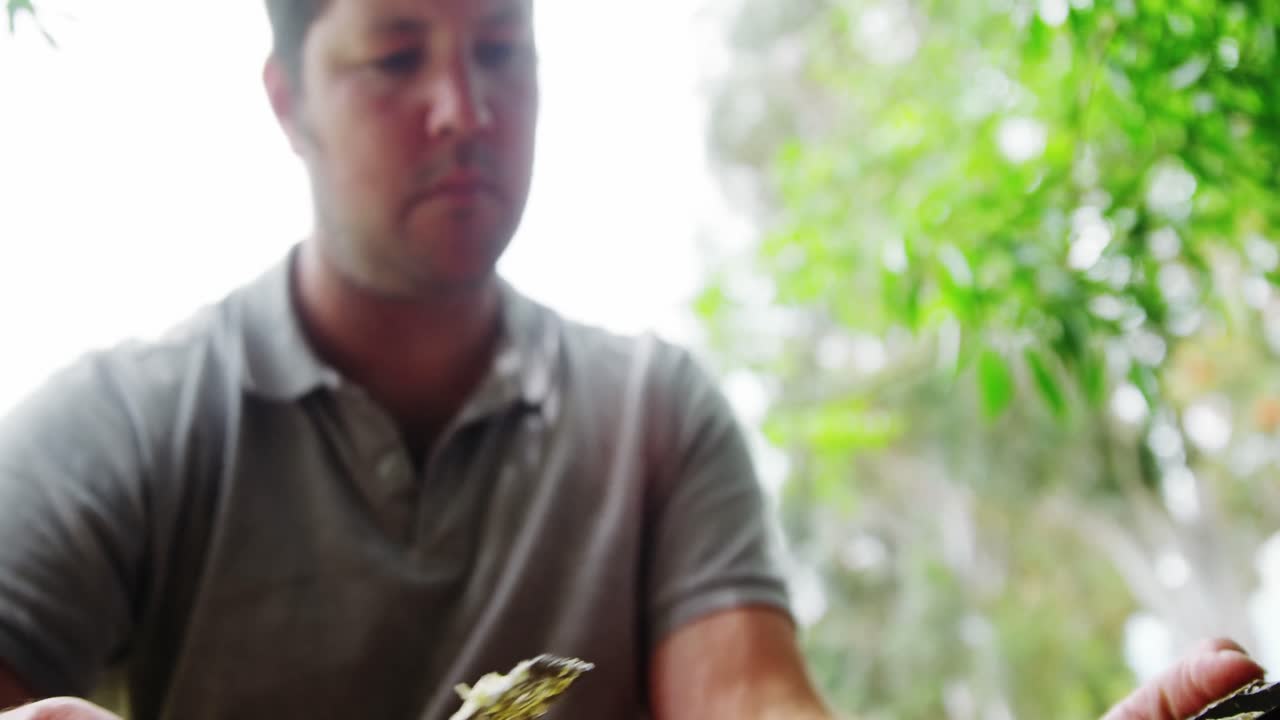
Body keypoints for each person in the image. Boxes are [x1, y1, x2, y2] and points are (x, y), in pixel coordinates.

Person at [0, 0, 1266, 718]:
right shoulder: (126, 425)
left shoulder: (653, 413)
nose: (465, 107)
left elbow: (748, 707)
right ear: (285, 100)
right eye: (396, 55)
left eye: (501, 50)